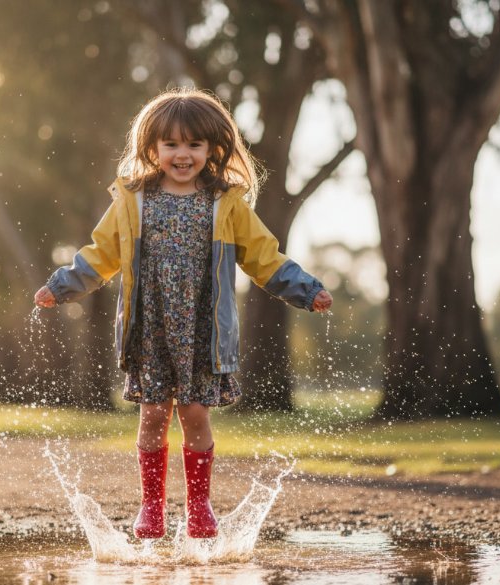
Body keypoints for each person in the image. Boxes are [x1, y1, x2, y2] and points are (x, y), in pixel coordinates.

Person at [34, 88, 332, 539]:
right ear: (152, 148)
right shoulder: (132, 201)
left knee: (194, 413)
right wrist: (62, 287)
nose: (182, 154)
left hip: (202, 329)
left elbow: (264, 257)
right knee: (153, 413)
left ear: (213, 149)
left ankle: (199, 507)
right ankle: (151, 508)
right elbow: (100, 256)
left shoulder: (226, 203)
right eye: (171, 144)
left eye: (194, 144)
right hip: (150, 327)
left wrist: (306, 291)